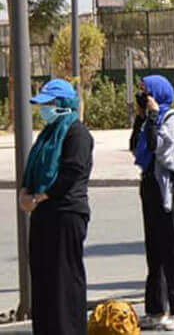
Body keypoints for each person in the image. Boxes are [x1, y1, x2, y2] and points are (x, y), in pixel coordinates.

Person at [21, 78, 93, 335]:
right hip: (44, 215)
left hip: (67, 213)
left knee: (65, 279)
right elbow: (34, 167)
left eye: (49, 104)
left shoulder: (77, 133)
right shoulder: (47, 135)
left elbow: (71, 173)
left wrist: (40, 197)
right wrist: (25, 191)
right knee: (43, 277)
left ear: (63, 104)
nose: (44, 110)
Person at [131, 74, 174, 330]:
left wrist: (155, 117)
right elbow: (136, 146)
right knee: (154, 250)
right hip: (149, 185)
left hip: (167, 190)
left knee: (172, 249)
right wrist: (141, 117)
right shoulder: (148, 120)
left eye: (146, 91)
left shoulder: (171, 119)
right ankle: (156, 308)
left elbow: (161, 151)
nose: (143, 95)